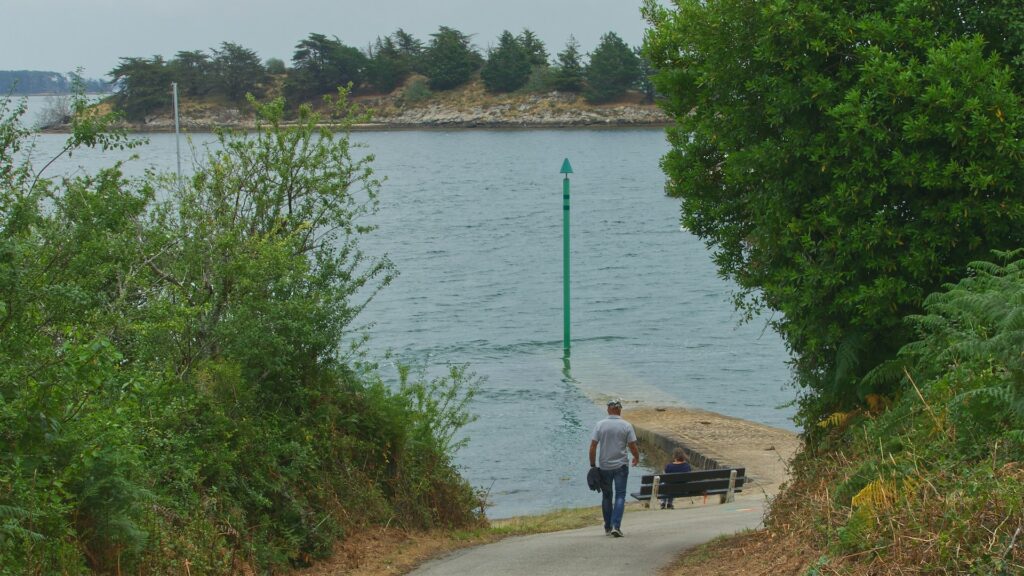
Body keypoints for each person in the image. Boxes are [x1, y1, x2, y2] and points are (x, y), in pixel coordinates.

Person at [589, 399, 639, 537]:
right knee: (620, 495)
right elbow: (632, 445)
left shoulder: (600, 425)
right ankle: (616, 526)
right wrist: (636, 457)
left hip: (604, 466)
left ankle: (607, 527)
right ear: (619, 409)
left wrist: (593, 465)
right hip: (621, 465)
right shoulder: (626, 425)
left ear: (609, 409)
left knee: (606, 496)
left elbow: (593, 446)